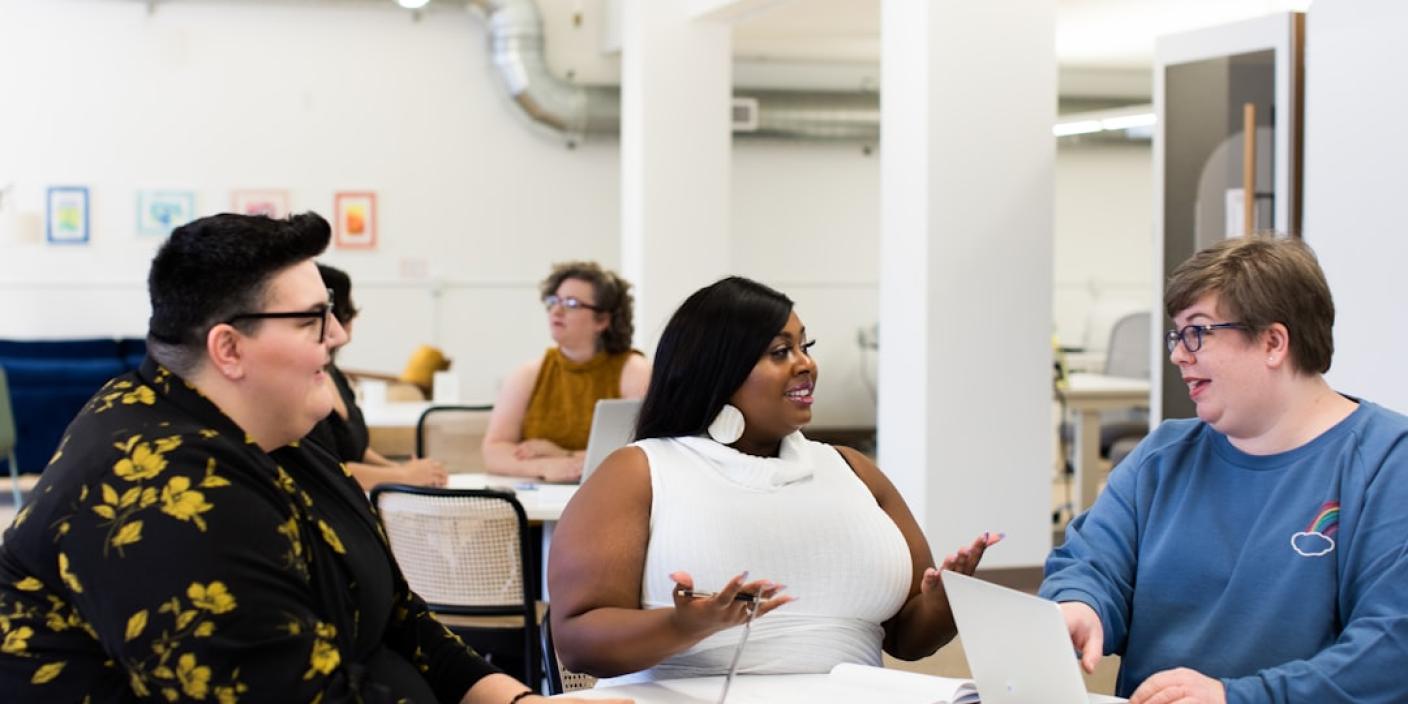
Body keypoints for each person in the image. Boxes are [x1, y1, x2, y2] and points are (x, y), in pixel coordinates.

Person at [0, 213, 622, 704]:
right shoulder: (166, 489)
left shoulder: (281, 433)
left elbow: (401, 616)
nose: (340, 335)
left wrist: (517, 700)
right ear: (229, 349)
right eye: (313, 319)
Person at [546, 276, 1000, 682]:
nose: (806, 364)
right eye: (780, 352)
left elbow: (908, 639)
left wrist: (943, 601)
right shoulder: (641, 470)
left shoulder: (851, 469)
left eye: (806, 346)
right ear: (718, 371)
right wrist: (682, 626)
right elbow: (578, 641)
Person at [1041, 235, 1408, 704]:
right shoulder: (1163, 456)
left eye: (1197, 332)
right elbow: (1089, 562)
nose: (1178, 355)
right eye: (1177, 335)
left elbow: (1389, 652)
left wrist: (1235, 697)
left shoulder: (1386, 463)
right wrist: (1079, 602)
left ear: (1273, 342)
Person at [482, 261, 650, 482]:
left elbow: (646, 450)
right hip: (539, 496)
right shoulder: (528, 374)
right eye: (554, 301)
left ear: (602, 320)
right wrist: (545, 466)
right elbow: (494, 451)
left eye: (571, 303)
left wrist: (563, 454)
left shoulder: (635, 370)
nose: (557, 310)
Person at [306, 263, 448, 490]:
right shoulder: (305, 386)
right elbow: (329, 469)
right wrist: (405, 475)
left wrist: (401, 469)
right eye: (349, 311)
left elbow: (356, 448)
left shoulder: (334, 375)